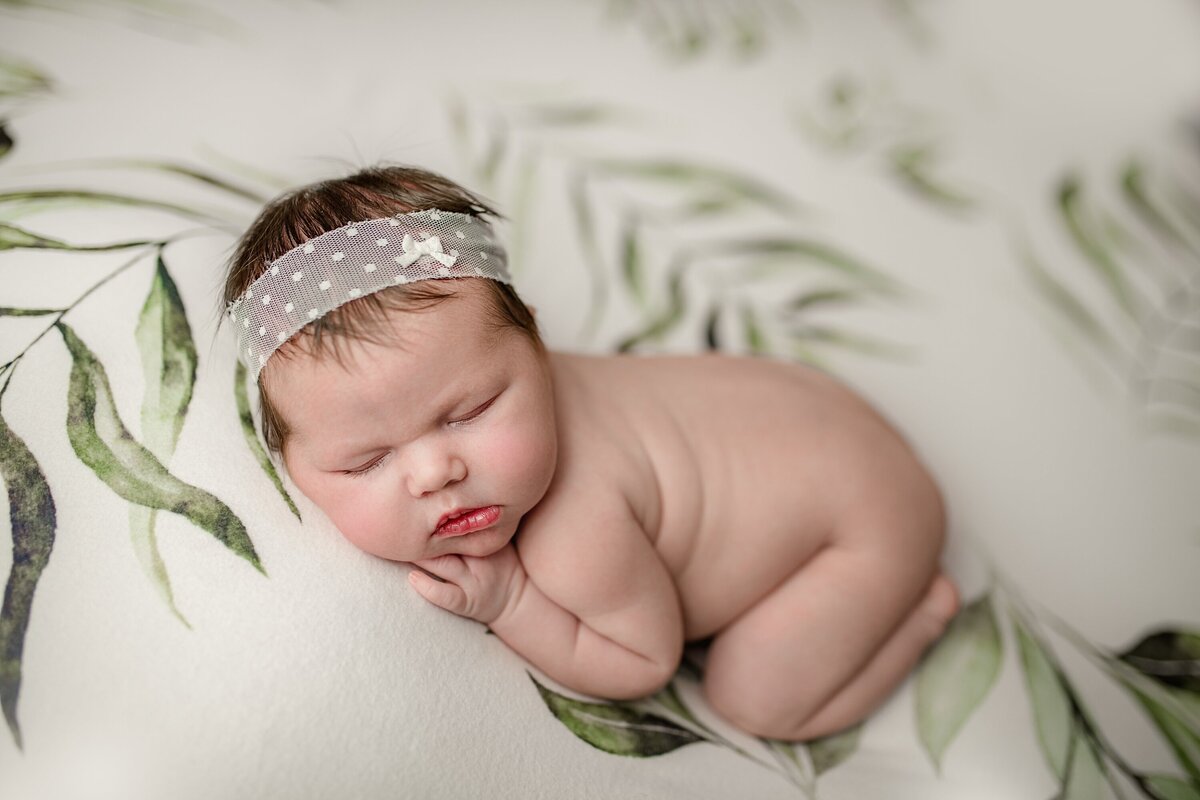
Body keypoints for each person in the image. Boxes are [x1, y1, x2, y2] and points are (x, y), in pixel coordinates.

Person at [221, 164, 960, 742]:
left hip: (864, 527)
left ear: (534, 343)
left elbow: (643, 662)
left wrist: (512, 600)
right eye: (364, 461)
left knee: (754, 697)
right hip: (810, 418)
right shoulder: (491, 368)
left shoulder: (578, 530)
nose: (434, 471)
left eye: (471, 411)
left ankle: (925, 611)